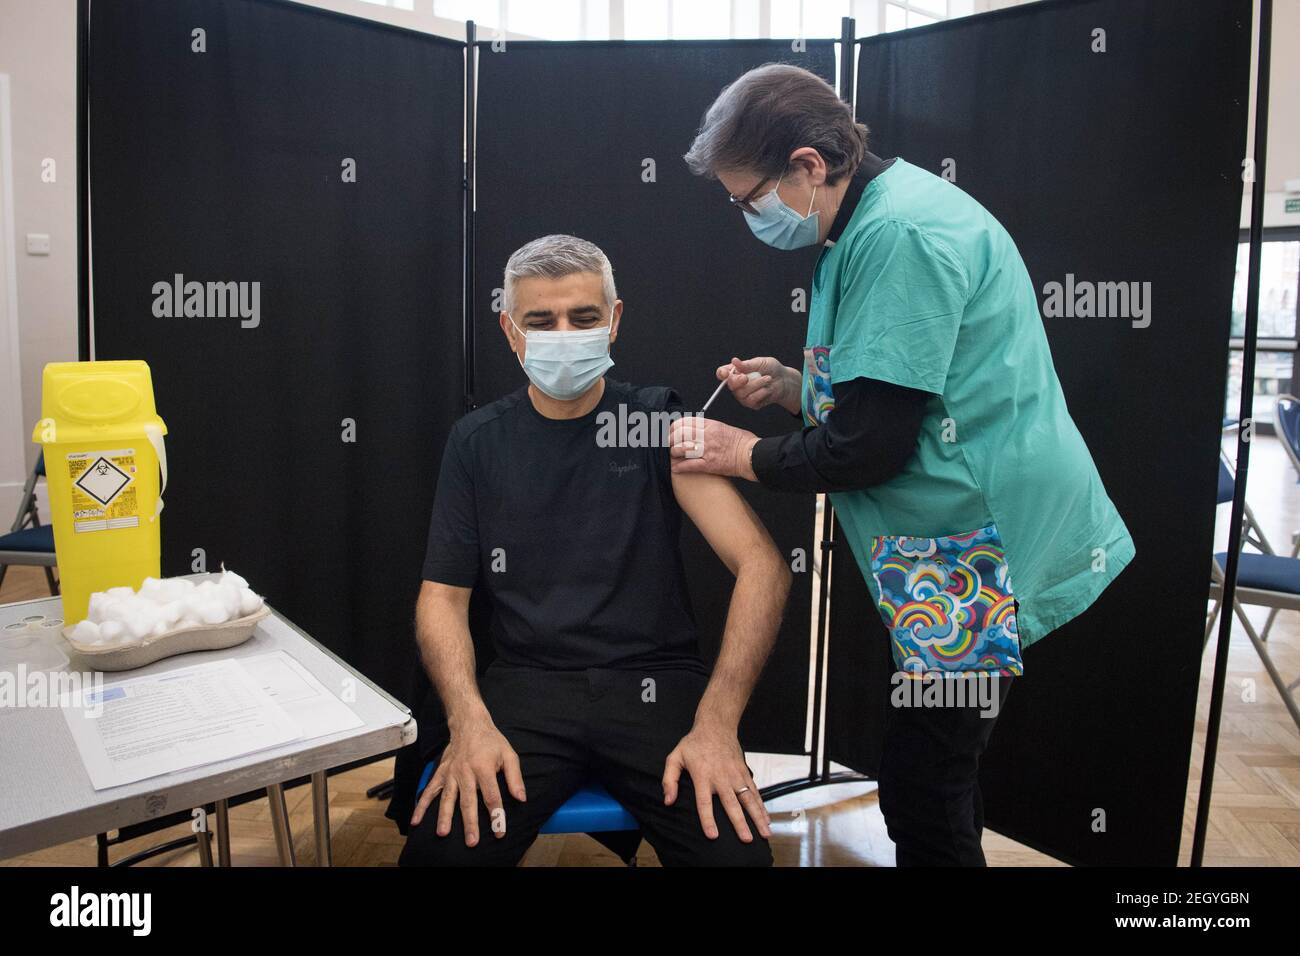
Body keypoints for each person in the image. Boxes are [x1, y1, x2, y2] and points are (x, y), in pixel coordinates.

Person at [671, 64, 1135, 866]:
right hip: (949, 535)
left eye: (749, 200)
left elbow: (868, 446)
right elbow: (900, 385)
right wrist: (793, 388)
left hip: (975, 545)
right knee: (937, 771)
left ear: (808, 165)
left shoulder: (898, 235)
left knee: (926, 787)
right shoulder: (870, 215)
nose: (747, 217)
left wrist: (739, 454)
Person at [398, 234, 789, 867]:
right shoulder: (477, 442)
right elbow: (442, 596)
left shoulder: (657, 424)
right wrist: (468, 722)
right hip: (526, 688)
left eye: (583, 318)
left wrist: (718, 724)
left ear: (614, 320)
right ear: (509, 330)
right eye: (540, 321)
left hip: (656, 685)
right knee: (442, 858)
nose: (563, 335)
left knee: (736, 862)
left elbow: (762, 566)